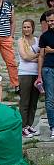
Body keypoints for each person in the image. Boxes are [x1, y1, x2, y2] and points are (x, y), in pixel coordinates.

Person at [17, 19, 41, 137]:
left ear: (32, 28)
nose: (26, 29)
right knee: (25, 102)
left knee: (33, 102)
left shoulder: (37, 40)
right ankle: (23, 126)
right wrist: (37, 56)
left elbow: (43, 55)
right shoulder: (21, 41)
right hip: (24, 73)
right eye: (24, 27)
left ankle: (29, 125)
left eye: (28, 27)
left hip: (36, 73)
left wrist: (36, 57)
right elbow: (25, 56)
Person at [37, 11, 54, 139]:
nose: (50, 23)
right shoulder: (44, 36)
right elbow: (41, 56)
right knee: (50, 99)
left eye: (52, 21)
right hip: (48, 69)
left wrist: (51, 50)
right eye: (48, 21)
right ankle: (53, 127)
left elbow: (48, 51)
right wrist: (39, 75)